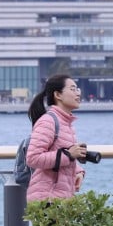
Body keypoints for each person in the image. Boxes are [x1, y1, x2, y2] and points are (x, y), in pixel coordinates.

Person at [24, 74, 89, 202]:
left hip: (59, 199)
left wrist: (78, 172)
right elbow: (32, 158)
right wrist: (69, 155)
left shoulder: (65, 122)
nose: (78, 94)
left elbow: (62, 158)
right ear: (58, 95)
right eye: (72, 89)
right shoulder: (48, 121)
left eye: (77, 89)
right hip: (47, 199)